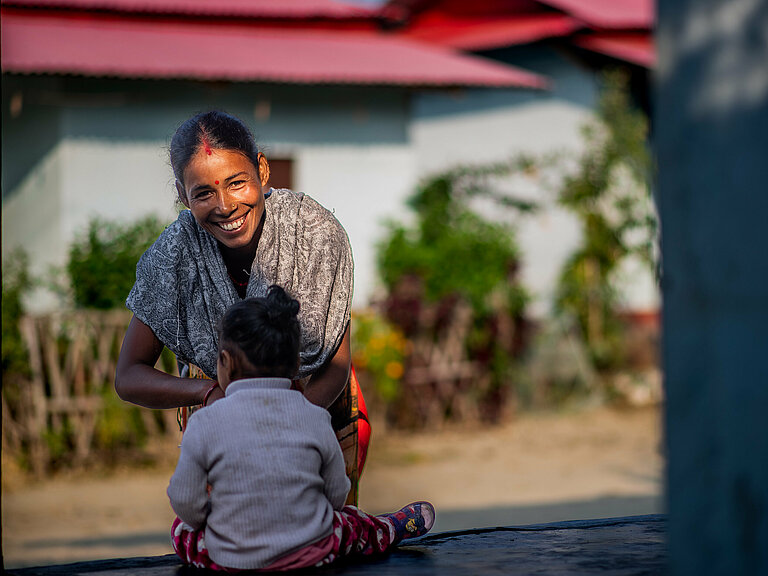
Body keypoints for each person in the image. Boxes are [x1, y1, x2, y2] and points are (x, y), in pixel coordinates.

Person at [115, 110, 369, 501]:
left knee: (322, 532)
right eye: (203, 193)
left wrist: (288, 426)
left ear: (262, 171)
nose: (225, 205)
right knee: (235, 539)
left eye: (237, 183)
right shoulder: (174, 256)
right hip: (221, 423)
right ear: (183, 197)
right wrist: (208, 395)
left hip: (319, 410)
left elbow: (336, 365)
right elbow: (129, 375)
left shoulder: (315, 234)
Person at [168, 286, 434, 572]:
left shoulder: (205, 422)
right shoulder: (314, 416)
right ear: (296, 364)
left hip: (232, 562)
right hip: (312, 552)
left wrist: (216, 520)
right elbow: (336, 493)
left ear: (225, 362)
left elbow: (185, 500)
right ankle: (388, 529)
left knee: (181, 530)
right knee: (350, 524)